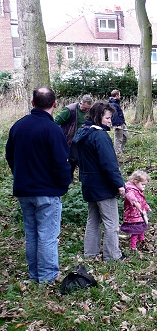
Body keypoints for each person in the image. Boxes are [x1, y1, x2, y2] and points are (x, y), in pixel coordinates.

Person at [5, 87, 72, 284]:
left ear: (32, 103)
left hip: (24, 190)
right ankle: (48, 278)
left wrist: (20, 175)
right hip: (47, 192)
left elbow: (10, 156)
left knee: (32, 233)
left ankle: (35, 275)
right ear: (55, 104)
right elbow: (62, 163)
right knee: (47, 236)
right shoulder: (53, 130)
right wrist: (63, 185)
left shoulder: (18, 126)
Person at [73, 102, 126, 262]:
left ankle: (90, 253)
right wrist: (119, 184)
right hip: (102, 185)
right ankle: (112, 256)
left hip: (88, 182)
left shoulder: (83, 132)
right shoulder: (100, 136)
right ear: (98, 117)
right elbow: (109, 164)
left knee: (93, 219)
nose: (110, 121)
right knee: (111, 222)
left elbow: (75, 158)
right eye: (108, 118)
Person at [55, 94, 93, 176]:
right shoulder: (69, 110)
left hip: (83, 138)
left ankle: (83, 176)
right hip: (71, 138)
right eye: (84, 108)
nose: (86, 110)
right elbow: (56, 122)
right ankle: (69, 177)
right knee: (74, 158)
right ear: (80, 103)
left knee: (83, 158)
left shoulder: (90, 111)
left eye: (88, 109)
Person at [120, 170, 151, 251]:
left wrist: (147, 207)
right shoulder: (130, 190)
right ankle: (133, 247)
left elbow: (142, 201)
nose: (144, 187)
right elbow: (130, 197)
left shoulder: (138, 190)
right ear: (136, 182)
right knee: (136, 231)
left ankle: (142, 240)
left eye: (145, 185)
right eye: (143, 184)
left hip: (139, 214)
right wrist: (135, 202)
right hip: (133, 215)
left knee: (141, 228)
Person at [109, 89, 128, 154]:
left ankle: (120, 150)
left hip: (121, 123)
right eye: (119, 95)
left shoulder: (116, 103)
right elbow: (114, 116)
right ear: (117, 95)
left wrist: (123, 122)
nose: (120, 96)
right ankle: (118, 152)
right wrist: (117, 125)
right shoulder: (113, 104)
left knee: (125, 137)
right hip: (118, 124)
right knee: (118, 139)